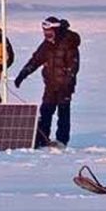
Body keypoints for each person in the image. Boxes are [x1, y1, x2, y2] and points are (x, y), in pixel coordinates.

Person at [14, 17, 80, 147]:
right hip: (50, 85)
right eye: (44, 32)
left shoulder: (69, 43)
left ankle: (62, 141)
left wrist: (67, 82)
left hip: (65, 86)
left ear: (56, 30)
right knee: (45, 112)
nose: (46, 35)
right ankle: (42, 139)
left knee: (63, 113)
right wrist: (23, 74)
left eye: (49, 32)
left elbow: (74, 66)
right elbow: (35, 60)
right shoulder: (46, 45)